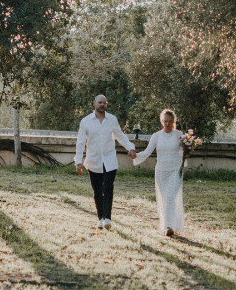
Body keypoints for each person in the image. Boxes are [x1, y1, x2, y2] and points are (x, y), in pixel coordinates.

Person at [74, 94, 136, 229]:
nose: (102, 105)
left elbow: (120, 136)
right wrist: (78, 161)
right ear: (94, 104)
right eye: (100, 102)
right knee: (97, 191)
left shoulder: (112, 120)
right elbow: (80, 142)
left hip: (109, 161)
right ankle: (100, 217)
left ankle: (107, 218)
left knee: (108, 188)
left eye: (104, 103)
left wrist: (130, 147)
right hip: (93, 161)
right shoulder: (86, 121)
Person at [132, 108, 186, 236]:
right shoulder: (156, 136)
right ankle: (166, 224)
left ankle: (169, 226)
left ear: (173, 121)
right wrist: (135, 156)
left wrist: (186, 155)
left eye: (170, 121)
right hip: (161, 171)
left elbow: (182, 152)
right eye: (165, 121)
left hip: (174, 170)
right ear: (162, 121)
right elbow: (147, 152)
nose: (167, 124)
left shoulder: (179, 135)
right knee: (164, 199)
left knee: (171, 197)